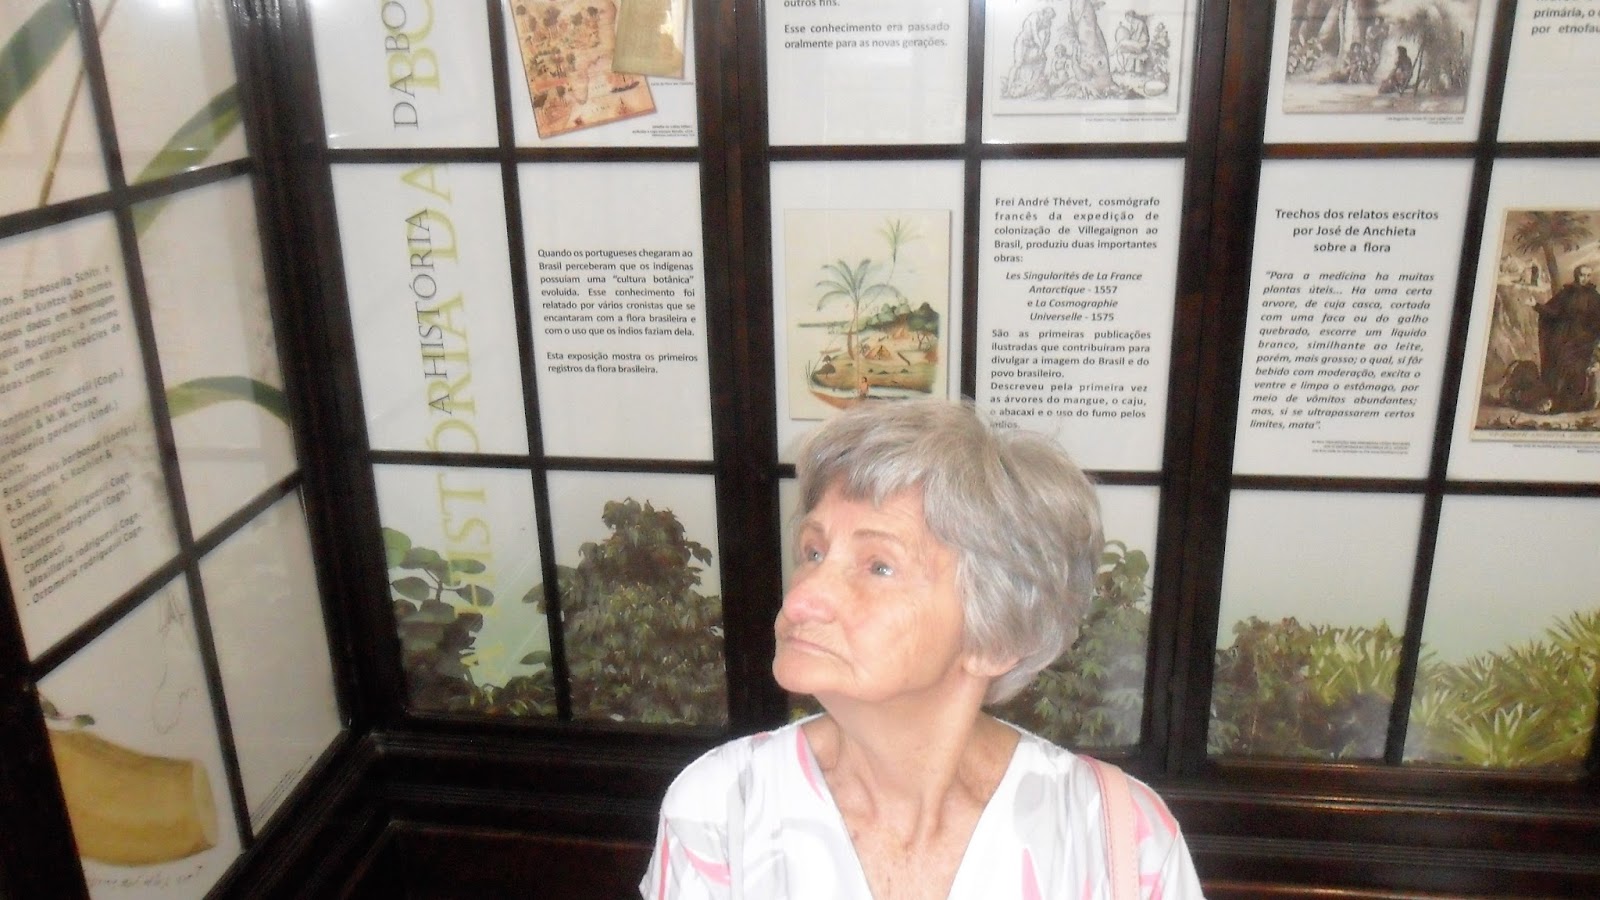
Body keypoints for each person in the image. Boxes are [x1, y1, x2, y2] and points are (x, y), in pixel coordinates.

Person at [642, 399, 1205, 898]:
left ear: (995, 638)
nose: (803, 598)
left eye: (879, 567)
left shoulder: (1116, 840)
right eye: (813, 552)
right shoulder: (723, 811)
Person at [1536, 264, 1600, 413]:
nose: (1585, 278)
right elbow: (1553, 311)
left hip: (1585, 340)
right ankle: (1558, 402)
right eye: (1582, 275)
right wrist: (1537, 306)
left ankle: (1577, 403)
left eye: (1588, 275)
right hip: (1566, 337)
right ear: (1576, 275)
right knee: (1560, 365)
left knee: (1578, 369)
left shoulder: (1595, 297)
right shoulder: (1566, 294)